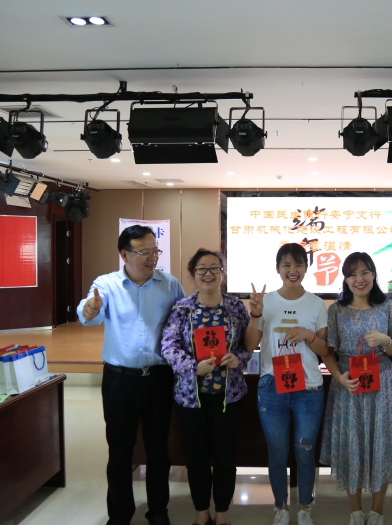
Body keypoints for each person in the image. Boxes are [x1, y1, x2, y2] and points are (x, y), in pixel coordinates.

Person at [77, 225, 185, 525]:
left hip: (159, 378)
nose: (152, 257)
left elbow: (183, 322)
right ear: (124, 255)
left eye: (155, 251)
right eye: (144, 252)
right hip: (119, 380)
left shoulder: (170, 284)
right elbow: (88, 313)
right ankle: (120, 515)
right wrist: (91, 309)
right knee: (120, 451)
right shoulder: (107, 285)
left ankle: (158, 512)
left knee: (158, 449)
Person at [161, 248, 258, 525]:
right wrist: (193, 367)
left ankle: (223, 515)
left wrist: (237, 359)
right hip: (191, 397)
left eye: (214, 268)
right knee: (197, 457)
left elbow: (248, 346)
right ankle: (201, 514)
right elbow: (168, 346)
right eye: (202, 269)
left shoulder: (236, 307)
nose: (208, 274)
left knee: (226, 457)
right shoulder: (182, 308)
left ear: (222, 273)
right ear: (193, 273)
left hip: (229, 395)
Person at [319, 252, 392, 525]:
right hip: (349, 384)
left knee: (381, 443)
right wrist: (339, 378)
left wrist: (385, 340)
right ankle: (355, 510)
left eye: (365, 272)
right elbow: (327, 351)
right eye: (352, 274)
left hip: (381, 384)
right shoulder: (336, 310)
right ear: (345, 279)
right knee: (351, 444)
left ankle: (377, 510)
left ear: (374, 274)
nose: (359, 279)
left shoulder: (388, 308)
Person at [249, 243, 329, 525]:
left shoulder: (316, 304)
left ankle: (304, 507)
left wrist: (309, 335)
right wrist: (255, 314)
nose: (292, 270)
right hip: (272, 387)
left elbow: (325, 350)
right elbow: (249, 345)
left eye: (298, 264)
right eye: (286, 265)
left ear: (306, 268)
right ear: (278, 268)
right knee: (277, 451)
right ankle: (280, 507)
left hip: (308, 388)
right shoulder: (266, 302)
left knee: (305, 451)